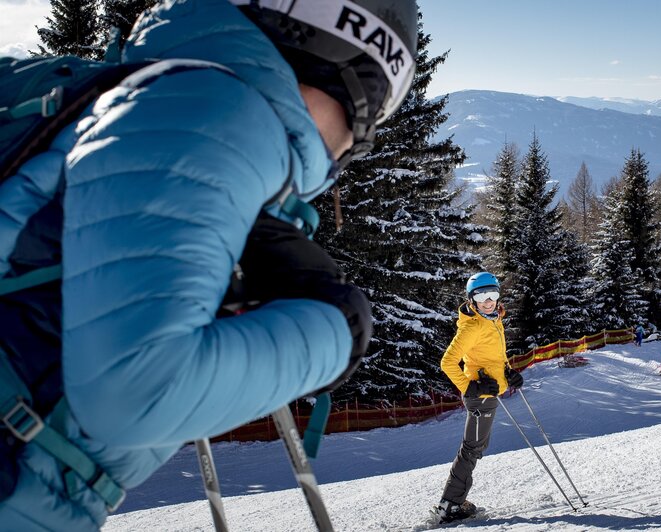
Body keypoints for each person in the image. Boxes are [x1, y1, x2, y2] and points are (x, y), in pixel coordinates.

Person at [0, 0, 418, 530]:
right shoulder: (220, 108)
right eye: (373, 115)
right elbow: (134, 394)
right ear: (352, 74)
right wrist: (339, 328)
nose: (354, 147)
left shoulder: (155, 98)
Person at [436, 272, 522, 524]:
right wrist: (470, 387)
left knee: (477, 446)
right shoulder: (473, 326)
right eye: (481, 296)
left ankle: (453, 501)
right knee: (471, 448)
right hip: (479, 397)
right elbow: (447, 362)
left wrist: (508, 372)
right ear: (472, 299)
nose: (488, 301)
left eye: (492, 294)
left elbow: (493, 356)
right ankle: (451, 504)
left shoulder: (494, 320)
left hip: (489, 393)